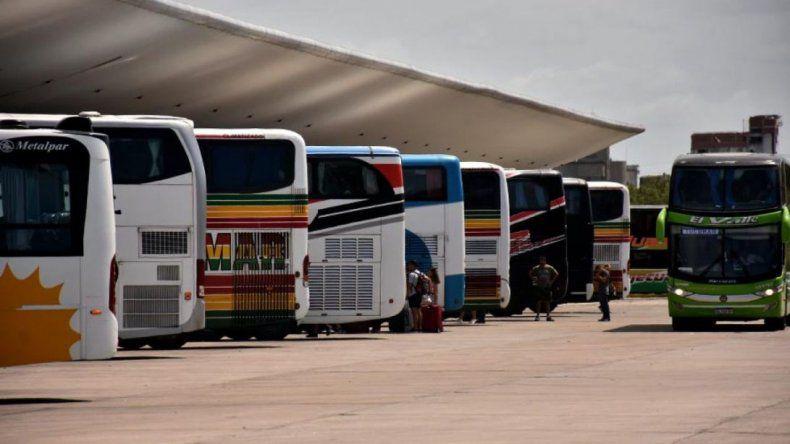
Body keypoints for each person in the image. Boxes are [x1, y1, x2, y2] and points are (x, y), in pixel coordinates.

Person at [529, 256, 558, 322]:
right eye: (541, 260)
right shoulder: (536, 268)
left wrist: (551, 282)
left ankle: (548, 316)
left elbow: (556, 274)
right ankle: (537, 316)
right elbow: (530, 273)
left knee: (547, 302)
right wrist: (534, 279)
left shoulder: (549, 268)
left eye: (543, 261)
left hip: (547, 287)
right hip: (539, 287)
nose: (542, 262)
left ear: (545, 261)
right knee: (538, 301)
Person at [406, 260, 424, 331]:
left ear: (413, 265)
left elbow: (409, 286)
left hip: (413, 294)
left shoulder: (411, 274)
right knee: (419, 310)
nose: (408, 266)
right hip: (419, 293)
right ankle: (420, 327)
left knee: (414, 311)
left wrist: (407, 294)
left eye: (409, 265)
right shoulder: (420, 273)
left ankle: (415, 327)